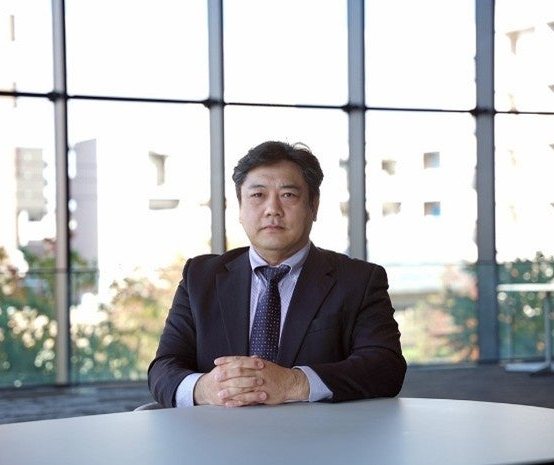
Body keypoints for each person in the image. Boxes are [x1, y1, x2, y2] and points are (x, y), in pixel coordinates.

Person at [148, 140, 406, 408]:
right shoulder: (200, 278)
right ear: (240, 208)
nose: (272, 209)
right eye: (257, 195)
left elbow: (385, 367)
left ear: (314, 206)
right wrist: (206, 389)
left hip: (321, 433)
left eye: (288, 195)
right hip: (220, 432)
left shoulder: (358, 281)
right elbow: (163, 368)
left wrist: (294, 383)